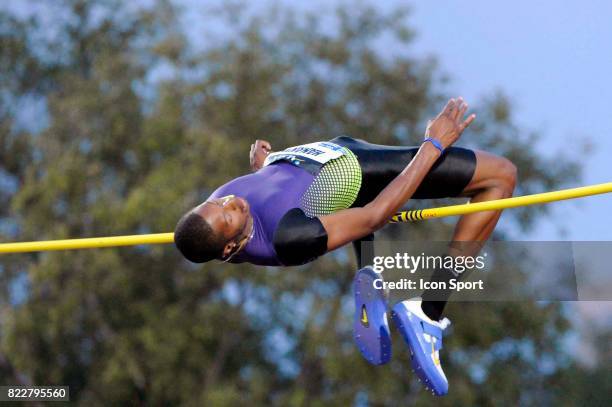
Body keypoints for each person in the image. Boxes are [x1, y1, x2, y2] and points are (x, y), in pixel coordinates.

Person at [174, 97, 517, 395]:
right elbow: (373, 216)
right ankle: (428, 311)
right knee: (500, 176)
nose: (234, 203)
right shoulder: (289, 237)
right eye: (229, 216)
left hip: (323, 157)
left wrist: (265, 167)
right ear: (230, 247)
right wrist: (433, 145)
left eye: (220, 204)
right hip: (357, 172)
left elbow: (267, 194)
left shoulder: (219, 213)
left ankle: (370, 272)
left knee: (340, 214)